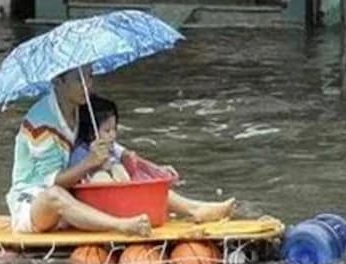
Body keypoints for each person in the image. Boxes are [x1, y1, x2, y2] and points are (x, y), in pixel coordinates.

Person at [6, 66, 151, 236]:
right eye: (79, 80)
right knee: (55, 195)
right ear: (58, 82)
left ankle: (189, 207)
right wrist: (89, 162)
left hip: (72, 190)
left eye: (89, 77)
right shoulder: (41, 123)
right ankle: (120, 225)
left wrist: (134, 159)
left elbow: (103, 140)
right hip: (34, 201)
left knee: (126, 173)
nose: (87, 85)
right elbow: (52, 182)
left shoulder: (80, 106)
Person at [71, 95, 236, 223]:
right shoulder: (81, 153)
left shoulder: (111, 146)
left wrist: (155, 170)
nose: (113, 135)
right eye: (107, 131)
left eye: (115, 129)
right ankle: (196, 209)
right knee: (104, 177)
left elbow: (133, 160)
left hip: (123, 195)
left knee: (157, 189)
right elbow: (80, 181)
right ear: (91, 133)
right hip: (104, 205)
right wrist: (98, 165)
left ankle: (199, 208)